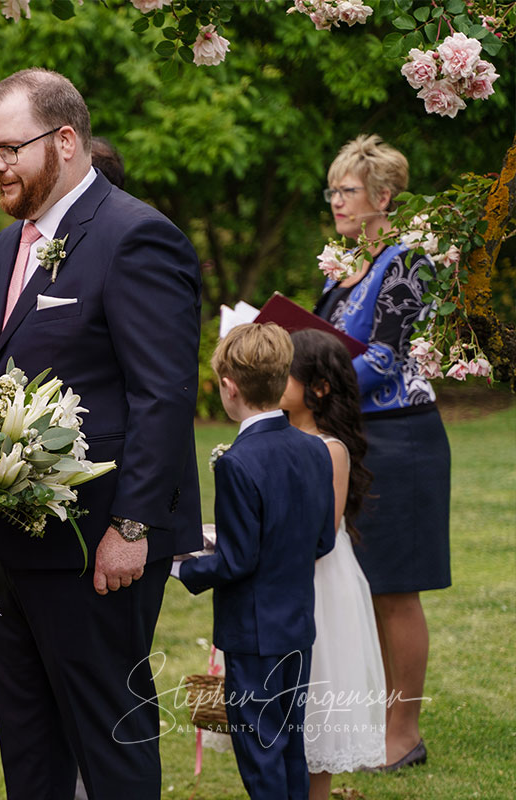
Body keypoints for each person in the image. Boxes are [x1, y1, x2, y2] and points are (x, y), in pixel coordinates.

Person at [0, 68, 202, 799]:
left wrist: (131, 525)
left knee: (110, 742)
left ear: (66, 141)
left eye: (11, 148)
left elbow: (162, 395)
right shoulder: (8, 247)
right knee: (28, 747)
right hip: (12, 546)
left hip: (100, 547)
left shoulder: (137, 236)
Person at [313, 134, 449, 771]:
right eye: (333, 189)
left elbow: (386, 359)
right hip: (355, 439)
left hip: (402, 440)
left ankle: (404, 732)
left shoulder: (407, 263)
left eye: (348, 190)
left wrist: (311, 385)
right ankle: (379, 721)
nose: (336, 200)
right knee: (365, 585)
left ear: (383, 198)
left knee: (396, 589)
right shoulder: (344, 272)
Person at [177, 322, 336, 800]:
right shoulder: (315, 449)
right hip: (296, 627)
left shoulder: (237, 462)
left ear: (229, 388)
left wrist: (182, 567)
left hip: (253, 636)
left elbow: (237, 562)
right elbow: (321, 539)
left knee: (259, 751)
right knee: (289, 744)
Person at [280, 329, 387, 798]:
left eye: (285, 372)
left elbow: (322, 531)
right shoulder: (273, 437)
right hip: (279, 581)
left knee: (318, 701)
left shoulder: (330, 450)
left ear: (318, 388)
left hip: (318, 585)